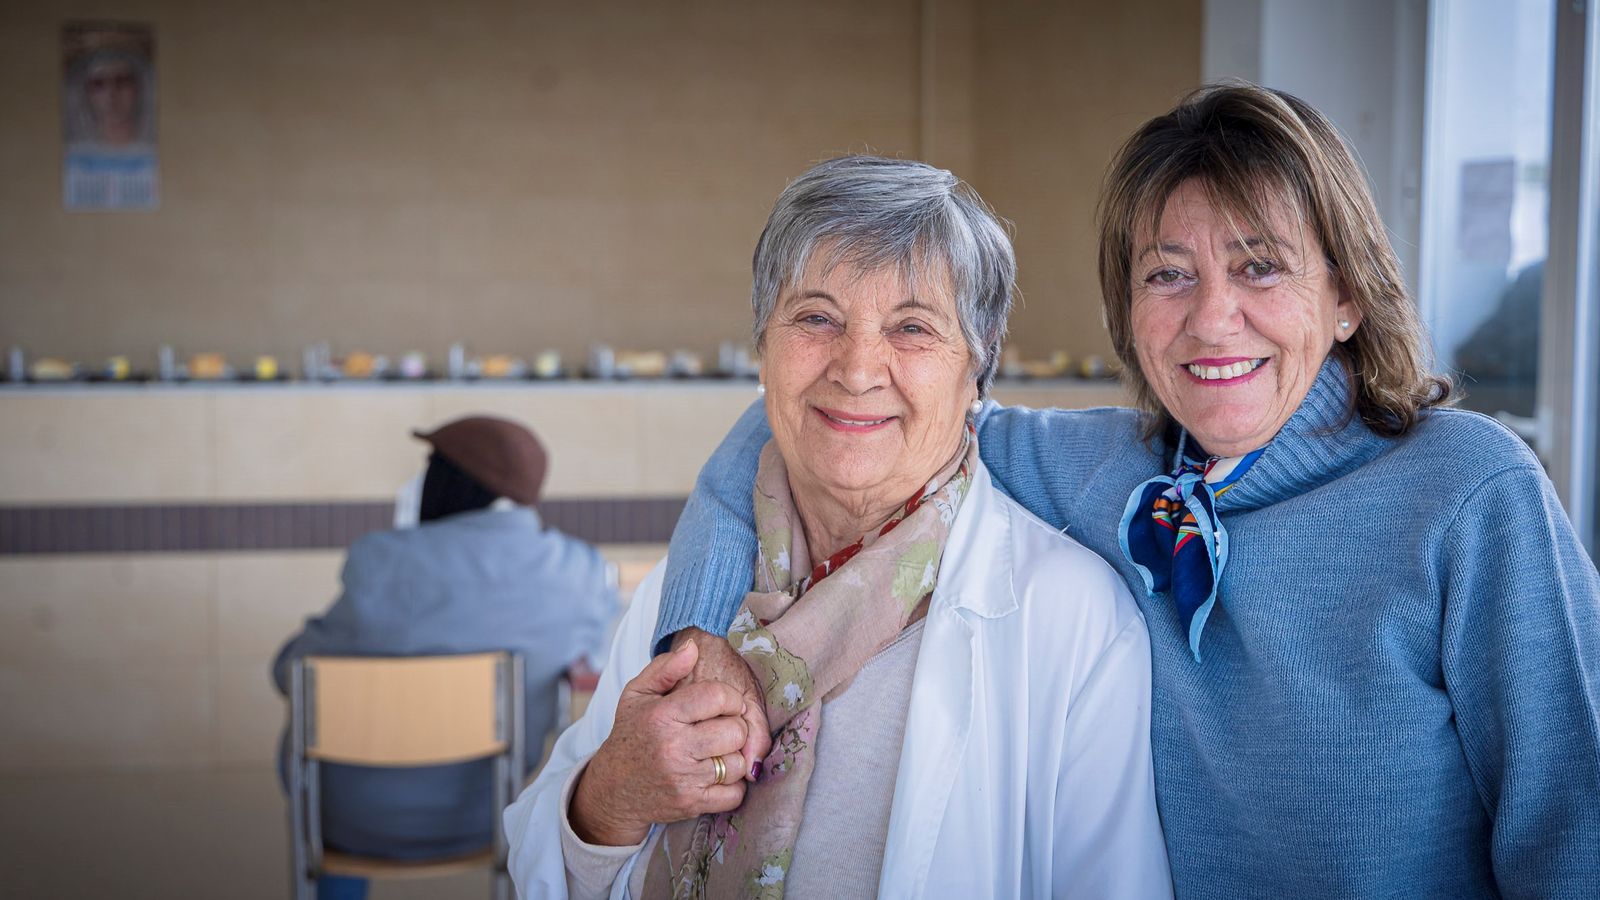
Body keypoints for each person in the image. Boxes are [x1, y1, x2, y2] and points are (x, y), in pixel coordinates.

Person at [655, 85, 1600, 897]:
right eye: (1169, 275)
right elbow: (811, 422)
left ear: (1347, 296)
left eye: (1260, 266)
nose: (1213, 318)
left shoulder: (1467, 492)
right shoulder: (1106, 471)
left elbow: (1575, 833)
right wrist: (693, 650)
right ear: (1130, 311)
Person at [503, 156, 1173, 898]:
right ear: (763, 349)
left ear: (976, 370)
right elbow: (540, 864)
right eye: (816, 318)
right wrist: (611, 797)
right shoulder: (689, 596)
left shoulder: (1073, 620)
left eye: (912, 328)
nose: (857, 370)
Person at [272, 416, 617, 900]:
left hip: (348, 819)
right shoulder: (581, 570)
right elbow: (591, 662)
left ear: (451, 480)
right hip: (494, 813)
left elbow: (290, 673)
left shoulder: (381, 559)